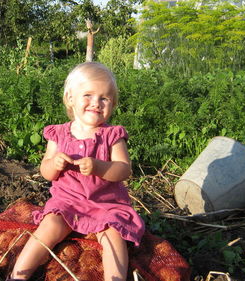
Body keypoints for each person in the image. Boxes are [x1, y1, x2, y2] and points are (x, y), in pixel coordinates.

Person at [9, 62, 145, 281]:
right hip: (68, 202)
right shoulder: (59, 134)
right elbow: (45, 171)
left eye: (104, 98)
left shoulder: (113, 135)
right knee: (49, 226)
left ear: (113, 103)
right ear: (70, 98)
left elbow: (123, 169)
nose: (96, 103)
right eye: (88, 95)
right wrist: (54, 164)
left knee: (114, 235)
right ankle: (18, 275)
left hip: (106, 204)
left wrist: (100, 167)